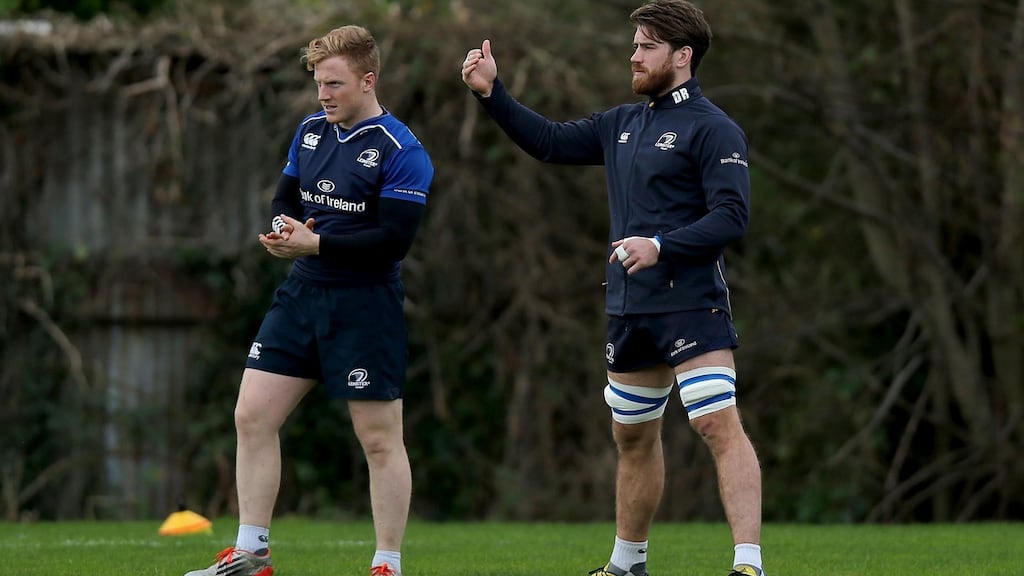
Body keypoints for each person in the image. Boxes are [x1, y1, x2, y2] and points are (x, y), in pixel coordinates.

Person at [461, 1, 764, 575]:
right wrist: (491, 94)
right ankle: (627, 565)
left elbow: (732, 216)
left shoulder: (714, 127)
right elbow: (548, 141)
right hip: (629, 310)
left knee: (715, 423)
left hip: (691, 302)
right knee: (631, 438)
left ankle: (748, 564)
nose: (634, 55)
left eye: (647, 46)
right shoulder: (620, 124)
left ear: (682, 57)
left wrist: (661, 245)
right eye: (635, 44)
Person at [185, 25, 433, 576]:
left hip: (365, 303)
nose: (323, 94)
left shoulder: (402, 150)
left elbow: (394, 239)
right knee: (251, 415)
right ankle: (252, 554)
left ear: (368, 80)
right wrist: (282, 229)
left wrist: (315, 241)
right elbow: (284, 196)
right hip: (302, 293)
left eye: (335, 84)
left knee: (377, 439)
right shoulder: (311, 131)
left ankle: (387, 564)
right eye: (319, 82)